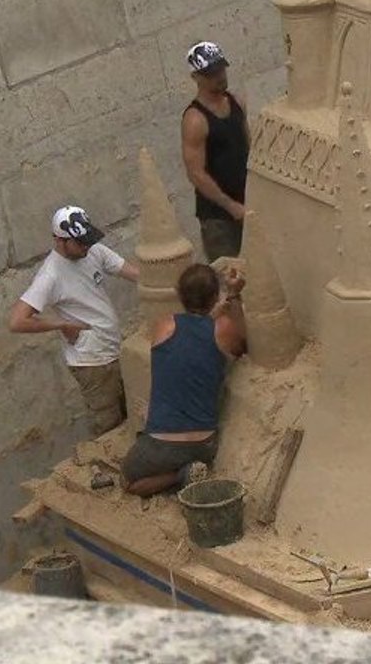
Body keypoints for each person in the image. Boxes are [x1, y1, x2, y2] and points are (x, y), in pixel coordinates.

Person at [8, 206, 139, 436]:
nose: (86, 246)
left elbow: (131, 272)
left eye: (87, 240)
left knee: (132, 415)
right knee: (108, 425)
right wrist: (61, 324)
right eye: (79, 243)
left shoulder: (93, 251)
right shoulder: (51, 275)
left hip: (114, 348)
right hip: (91, 362)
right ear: (59, 241)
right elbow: (17, 321)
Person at [122, 263, 246, 497]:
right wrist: (235, 294)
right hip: (204, 444)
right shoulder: (223, 330)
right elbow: (241, 344)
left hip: (161, 444)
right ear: (215, 297)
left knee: (129, 481)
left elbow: (184, 346)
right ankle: (193, 466)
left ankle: (180, 475)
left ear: (179, 295)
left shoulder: (164, 325)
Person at [181, 41, 250, 262]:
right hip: (218, 217)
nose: (219, 77)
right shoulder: (195, 119)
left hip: (248, 202)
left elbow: (249, 147)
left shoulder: (236, 102)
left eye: (220, 69)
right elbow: (196, 173)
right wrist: (230, 206)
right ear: (197, 77)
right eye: (211, 73)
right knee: (229, 274)